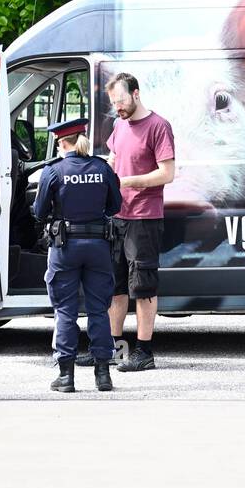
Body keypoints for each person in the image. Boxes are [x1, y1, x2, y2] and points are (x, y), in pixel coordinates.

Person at [77, 73, 175, 372]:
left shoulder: (158, 126)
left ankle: (144, 352)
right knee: (115, 287)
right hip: (118, 215)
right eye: (113, 103)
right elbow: (114, 159)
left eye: (120, 101)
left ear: (136, 93)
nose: (117, 108)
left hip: (144, 217)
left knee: (142, 286)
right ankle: (110, 349)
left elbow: (167, 173)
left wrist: (128, 181)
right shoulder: (119, 125)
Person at [32, 117, 123, 393]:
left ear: (62, 142)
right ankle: (103, 375)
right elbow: (115, 205)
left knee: (65, 311)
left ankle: (66, 376)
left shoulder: (54, 171)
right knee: (98, 309)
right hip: (98, 246)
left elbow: (38, 211)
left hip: (65, 247)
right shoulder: (101, 168)